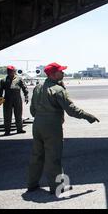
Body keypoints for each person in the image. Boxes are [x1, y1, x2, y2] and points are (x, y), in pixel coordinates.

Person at [27, 62, 100, 194]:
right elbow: (71, 110)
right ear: (54, 74)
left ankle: (32, 184)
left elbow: (32, 109)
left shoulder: (38, 87)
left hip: (37, 124)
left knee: (37, 155)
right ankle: (57, 187)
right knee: (53, 157)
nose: (63, 73)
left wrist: (41, 117)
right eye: (61, 71)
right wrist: (88, 116)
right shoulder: (58, 90)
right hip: (51, 126)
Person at [0, 65, 29, 136]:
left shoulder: (19, 79)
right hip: (7, 99)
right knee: (7, 116)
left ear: (14, 71)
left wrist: (26, 96)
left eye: (11, 71)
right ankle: (7, 131)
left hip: (17, 99)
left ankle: (19, 129)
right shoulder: (3, 80)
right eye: (8, 71)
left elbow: (24, 88)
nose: (10, 72)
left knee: (18, 114)